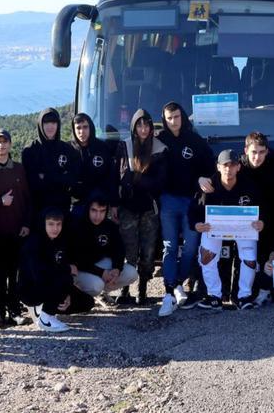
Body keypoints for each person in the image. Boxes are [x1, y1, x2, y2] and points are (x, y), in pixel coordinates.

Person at [156, 102, 214, 317]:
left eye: (177, 117)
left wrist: (201, 177)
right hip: (168, 201)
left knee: (191, 247)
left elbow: (210, 165)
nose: (173, 122)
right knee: (170, 247)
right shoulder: (159, 141)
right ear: (164, 118)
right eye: (169, 118)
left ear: (183, 117)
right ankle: (169, 291)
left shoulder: (194, 140)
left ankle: (180, 282)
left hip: (191, 202)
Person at [191, 149, 264, 310]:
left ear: (238, 167)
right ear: (218, 167)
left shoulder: (248, 185)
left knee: (250, 258)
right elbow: (194, 210)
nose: (228, 169)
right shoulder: (208, 185)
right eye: (225, 165)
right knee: (206, 256)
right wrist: (197, 225)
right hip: (214, 228)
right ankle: (214, 295)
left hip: (244, 228)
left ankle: (244, 296)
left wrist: (262, 222)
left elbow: (263, 208)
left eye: (232, 165)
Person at [116, 109, 168, 305]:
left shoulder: (160, 149)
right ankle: (124, 289)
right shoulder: (125, 146)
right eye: (139, 125)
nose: (143, 129)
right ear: (134, 127)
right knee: (129, 252)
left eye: (146, 125)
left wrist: (137, 180)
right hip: (128, 208)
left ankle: (143, 289)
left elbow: (160, 182)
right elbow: (119, 177)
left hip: (149, 208)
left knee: (147, 252)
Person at [0, 129, 33, 328]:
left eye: (5, 142)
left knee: (15, 273)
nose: (2, 145)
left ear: (10, 144)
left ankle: (14, 310)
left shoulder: (19, 169)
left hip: (17, 230)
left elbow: (29, 199)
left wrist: (27, 224)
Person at [19, 208, 95, 333]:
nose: (55, 228)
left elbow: (63, 268)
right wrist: (65, 274)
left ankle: (46, 308)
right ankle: (45, 318)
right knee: (63, 277)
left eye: (58, 224)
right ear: (43, 223)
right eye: (51, 224)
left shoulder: (59, 241)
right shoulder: (33, 243)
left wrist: (67, 294)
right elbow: (39, 275)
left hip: (53, 285)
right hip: (31, 289)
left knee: (87, 302)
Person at [70, 194, 138, 302]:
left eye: (102, 211)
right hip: (80, 269)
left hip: (99, 264)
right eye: (94, 210)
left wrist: (116, 268)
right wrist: (101, 272)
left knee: (132, 273)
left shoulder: (109, 225)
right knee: (96, 285)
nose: (98, 215)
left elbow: (118, 249)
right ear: (88, 209)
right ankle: (78, 295)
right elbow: (77, 259)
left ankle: (103, 290)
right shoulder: (77, 225)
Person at [22, 107, 80, 215]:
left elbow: (72, 179)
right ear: (40, 124)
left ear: (58, 124)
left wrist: (45, 177)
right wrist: (61, 177)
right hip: (38, 209)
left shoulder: (68, 150)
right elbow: (32, 183)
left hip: (62, 209)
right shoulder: (30, 151)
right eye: (46, 122)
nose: (50, 126)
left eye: (53, 122)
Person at [70, 112, 119, 218]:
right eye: (78, 128)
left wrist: (114, 204)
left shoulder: (102, 148)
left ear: (90, 127)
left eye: (85, 127)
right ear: (74, 129)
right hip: (78, 203)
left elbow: (112, 178)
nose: (82, 131)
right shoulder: (68, 150)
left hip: (99, 204)